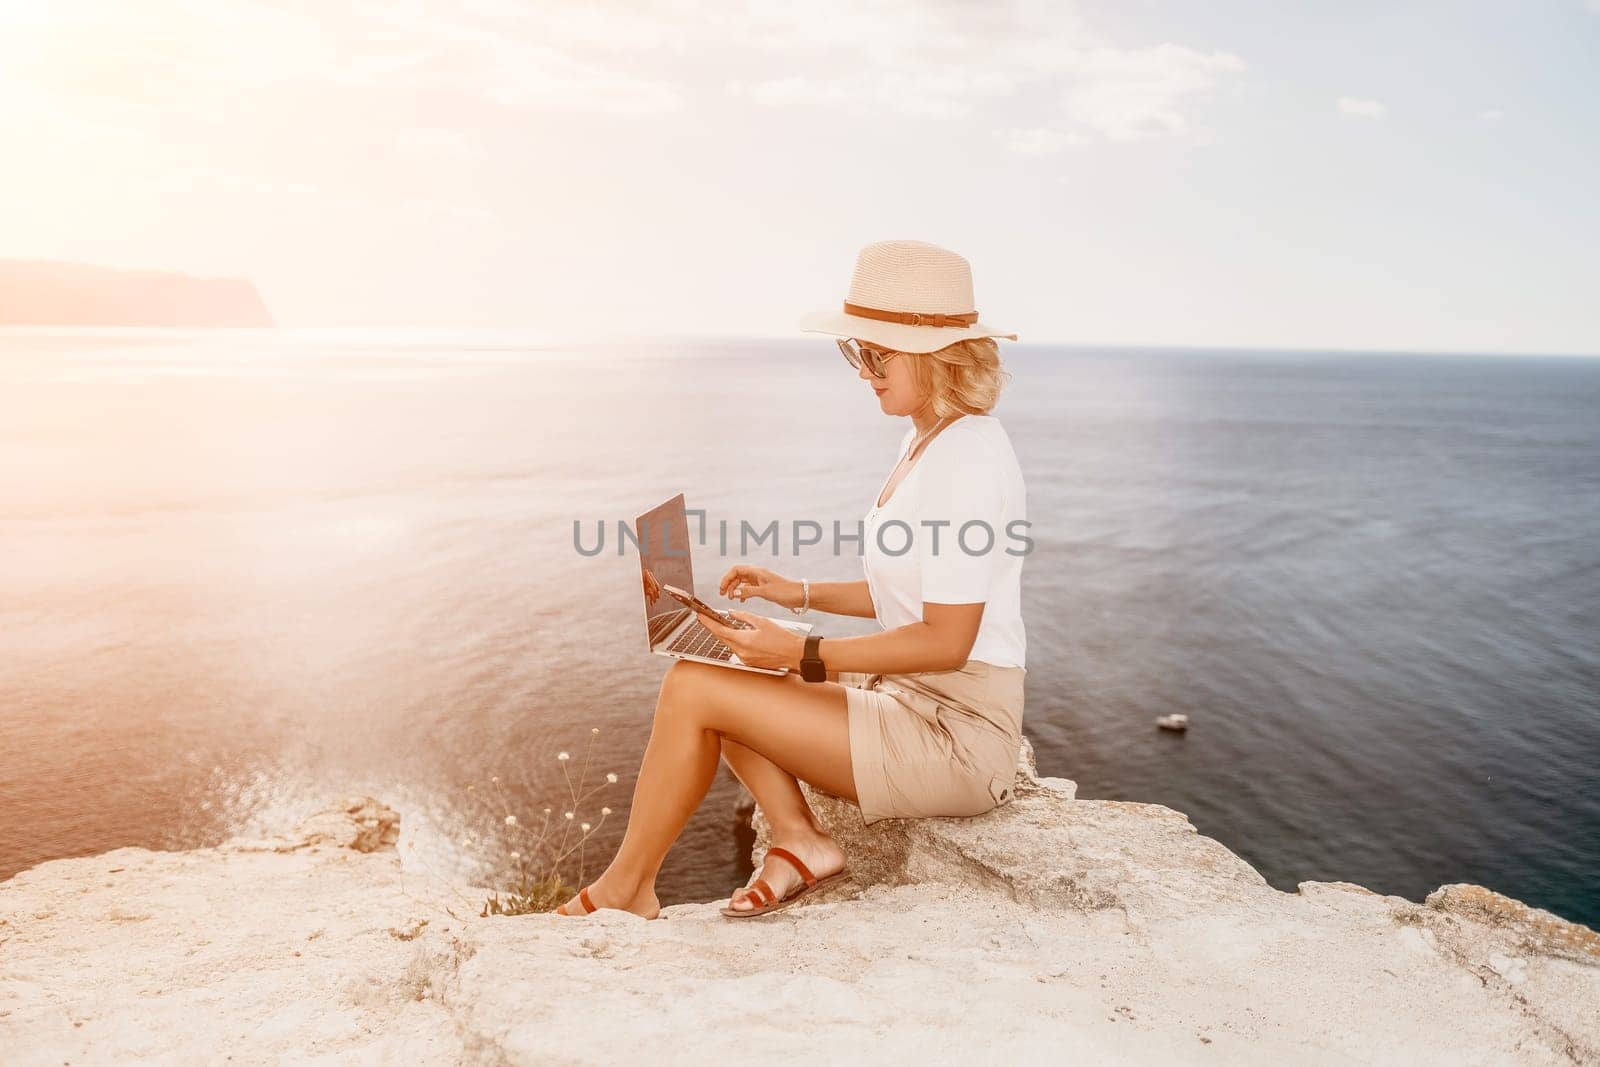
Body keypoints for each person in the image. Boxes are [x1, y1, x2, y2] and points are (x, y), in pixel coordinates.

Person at [556, 239, 1028, 920]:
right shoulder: (927, 439)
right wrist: (794, 593)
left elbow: (948, 637)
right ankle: (800, 838)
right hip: (915, 697)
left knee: (695, 689)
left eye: (875, 354)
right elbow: (910, 597)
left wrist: (805, 652)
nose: (863, 371)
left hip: (955, 733)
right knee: (728, 660)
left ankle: (626, 890)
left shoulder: (967, 458)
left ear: (935, 353)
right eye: (854, 353)